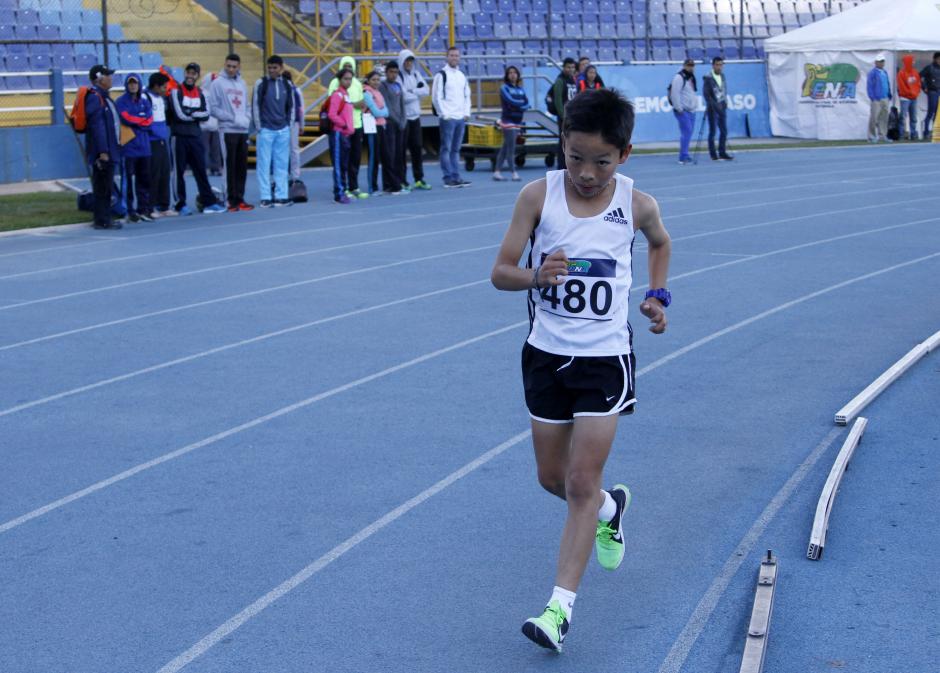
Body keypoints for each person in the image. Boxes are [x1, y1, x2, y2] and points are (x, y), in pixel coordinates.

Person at [490, 88, 671, 653]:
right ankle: (612, 509)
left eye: (602, 161)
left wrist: (657, 295)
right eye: (575, 158)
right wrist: (535, 276)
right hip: (546, 356)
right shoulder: (536, 197)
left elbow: (661, 243)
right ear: (561, 146)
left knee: (579, 483)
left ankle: (557, 610)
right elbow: (499, 271)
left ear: (625, 154)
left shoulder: (637, 205)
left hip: (604, 359)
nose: (587, 173)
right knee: (553, 479)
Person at [169, 62, 226, 214]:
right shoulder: (176, 91)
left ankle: (208, 202)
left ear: (197, 76)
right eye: (188, 72)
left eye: (193, 73)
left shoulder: (201, 93)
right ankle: (180, 204)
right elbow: (178, 114)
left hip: (195, 136)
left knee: (200, 170)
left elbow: (206, 114)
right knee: (178, 172)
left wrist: (190, 113)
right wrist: (195, 114)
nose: (190, 76)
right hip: (179, 137)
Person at [208, 53, 253, 211]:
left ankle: (240, 197)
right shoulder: (217, 84)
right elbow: (213, 108)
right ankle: (230, 200)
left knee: (241, 166)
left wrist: (247, 118)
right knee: (229, 165)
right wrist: (232, 118)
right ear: (225, 65)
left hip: (243, 130)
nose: (231, 69)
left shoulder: (242, 83)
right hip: (227, 130)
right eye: (229, 66)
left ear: (239, 67)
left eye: (234, 66)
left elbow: (247, 105)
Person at [83, 65, 123, 229]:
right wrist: (103, 151)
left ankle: (104, 217)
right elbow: (97, 126)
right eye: (108, 75)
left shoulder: (103, 97)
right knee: (103, 186)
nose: (111, 78)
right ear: (99, 78)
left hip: (109, 149)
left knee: (105, 185)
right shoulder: (95, 97)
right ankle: (103, 219)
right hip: (103, 152)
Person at [252, 55, 294, 207]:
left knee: (281, 164)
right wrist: (259, 127)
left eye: (275, 67)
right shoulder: (260, 84)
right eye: (269, 67)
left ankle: (281, 196)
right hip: (266, 129)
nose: (272, 70)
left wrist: (288, 125)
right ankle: (265, 196)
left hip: (282, 129)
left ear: (281, 68)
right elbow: (255, 105)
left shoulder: (287, 85)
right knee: (263, 164)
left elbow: (291, 106)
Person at [115, 72, 154, 222]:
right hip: (129, 148)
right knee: (128, 181)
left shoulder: (145, 101)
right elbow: (125, 118)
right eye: (130, 83)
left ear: (139, 85)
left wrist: (136, 121)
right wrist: (140, 119)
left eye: (135, 83)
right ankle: (128, 210)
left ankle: (143, 209)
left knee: (144, 180)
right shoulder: (120, 101)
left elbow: (149, 120)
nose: (133, 85)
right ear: (126, 84)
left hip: (144, 148)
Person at [328, 56, 368, 199]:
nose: (348, 69)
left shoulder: (357, 83)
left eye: (350, 66)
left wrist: (361, 104)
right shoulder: (335, 83)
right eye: (345, 66)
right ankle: (342, 187)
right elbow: (333, 102)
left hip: (356, 124)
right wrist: (354, 104)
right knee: (342, 160)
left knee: (355, 158)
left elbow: (360, 102)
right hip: (342, 127)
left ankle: (354, 186)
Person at [432, 46, 471, 188]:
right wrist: (444, 114)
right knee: (446, 148)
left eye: (456, 55)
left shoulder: (461, 75)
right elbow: (436, 97)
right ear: (447, 57)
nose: (454, 58)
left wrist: (466, 112)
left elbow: (467, 94)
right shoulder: (441, 75)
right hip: (448, 118)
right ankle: (447, 177)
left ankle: (456, 176)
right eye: (452, 55)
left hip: (460, 117)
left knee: (456, 149)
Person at [143, 72, 178, 218]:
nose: (166, 89)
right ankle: (150, 207)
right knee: (154, 174)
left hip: (163, 139)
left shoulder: (161, 99)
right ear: (156, 86)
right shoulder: (146, 97)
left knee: (165, 172)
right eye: (164, 87)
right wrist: (154, 134)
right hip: (152, 141)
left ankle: (164, 205)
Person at [397, 49, 432, 190]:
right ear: (402, 61)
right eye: (406, 60)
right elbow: (403, 97)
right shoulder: (399, 76)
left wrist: (412, 92)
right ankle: (402, 180)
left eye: (411, 60)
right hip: (404, 118)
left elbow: (426, 90)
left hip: (416, 118)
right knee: (401, 151)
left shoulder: (416, 74)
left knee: (417, 148)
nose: (409, 63)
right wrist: (416, 93)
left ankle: (419, 178)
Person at [494, 65, 529, 182]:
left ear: (518, 75)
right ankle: (514, 172)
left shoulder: (521, 89)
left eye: (515, 72)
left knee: (505, 147)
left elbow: (527, 103)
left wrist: (518, 106)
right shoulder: (504, 88)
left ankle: (497, 171)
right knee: (511, 148)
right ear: (507, 75)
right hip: (507, 121)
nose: (513, 75)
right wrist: (520, 105)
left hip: (517, 121)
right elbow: (511, 101)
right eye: (510, 73)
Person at [379, 60, 409, 195]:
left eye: (396, 72)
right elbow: (387, 107)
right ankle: (388, 183)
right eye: (391, 72)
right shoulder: (383, 86)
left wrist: (403, 119)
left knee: (398, 155)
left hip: (400, 125)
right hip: (390, 124)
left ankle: (398, 180)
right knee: (389, 154)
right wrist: (398, 120)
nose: (394, 75)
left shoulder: (398, 85)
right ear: (386, 72)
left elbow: (402, 104)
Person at [327, 67, 356, 204]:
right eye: (346, 79)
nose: (348, 81)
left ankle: (342, 190)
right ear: (340, 80)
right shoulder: (337, 95)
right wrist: (344, 125)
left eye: (350, 79)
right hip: (338, 134)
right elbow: (332, 114)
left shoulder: (346, 95)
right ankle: (338, 193)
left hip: (346, 134)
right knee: (338, 165)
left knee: (344, 164)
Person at [362, 70, 389, 195]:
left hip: (381, 126)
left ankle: (383, 185)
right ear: (368, 80)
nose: (376, 82)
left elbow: (386, 111)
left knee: (382, 156)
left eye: (378, 80)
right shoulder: (366, 93)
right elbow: (377, 112)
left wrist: (381, 112)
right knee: (374, 157)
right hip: (372, 128)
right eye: (373, 80)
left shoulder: (378, 93)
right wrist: (381, 111)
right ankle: (372, 187)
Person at [703, 56, 733, 160]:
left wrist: (725, 102)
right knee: (713, 131)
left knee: (724, 131)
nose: (719, 67)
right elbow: (706, 95)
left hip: (722, 107)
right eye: (717, 65)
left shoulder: (723, 76)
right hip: (713, 109)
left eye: (721, 65)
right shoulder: (708, 77)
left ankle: (722, 152)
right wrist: (714, 106)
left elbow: (724, 90)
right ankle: (713, 154)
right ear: (713, 65)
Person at [550, 57, 578, 170]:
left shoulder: (572, 79)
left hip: (572, 116)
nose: (570, 69)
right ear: (563, 67)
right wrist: (563, 116)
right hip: (564, 117)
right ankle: (561, 166)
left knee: (570, 141)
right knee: (563, 141)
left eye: (572, 67)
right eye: (568, 67)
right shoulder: (560, 80)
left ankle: (569, 165)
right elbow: (557, 100)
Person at [669, 58, 697, 164]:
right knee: (687, 132)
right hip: (683, 110)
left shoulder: (691, 78)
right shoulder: (679, 77)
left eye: (692, 65)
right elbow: (674, 94)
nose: (690, 67)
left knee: (688, 133)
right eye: (689, 65)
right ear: (684, 65)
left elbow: (691, 93)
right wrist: (679, 108)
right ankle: (683, 156)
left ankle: (685, 154)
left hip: (691, 110)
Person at [282, 70, 306, 185]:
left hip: (282, 123)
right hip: (294, 123)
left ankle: (283, 174)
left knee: (283, 150)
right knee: (294, 149)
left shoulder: (284, 89)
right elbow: (301, 109)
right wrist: (302, 124)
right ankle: (295, 175)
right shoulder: (296, 90)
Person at [867, 54, 892, 143]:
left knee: (884, 117)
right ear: (876, 62)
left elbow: (887, 83)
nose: (881, 63)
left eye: (882, 61)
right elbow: (870, 86)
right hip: (876, 99)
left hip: (885, 97)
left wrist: (889, 94)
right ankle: (871, 136)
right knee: (874, 117)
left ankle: (882, 135)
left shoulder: (884, 72)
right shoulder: (872, 73)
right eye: (880, 61)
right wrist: (873, 97)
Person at [896, 55, 921, 141]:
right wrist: (910, 93)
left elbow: (918, 84)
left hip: (913, 98)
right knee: (903, 116)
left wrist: (916, 93)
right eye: (912, 61)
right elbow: (901, 87)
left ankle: (913, 134)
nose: (913, 62)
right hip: (905, 98)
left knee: (913, 117)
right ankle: (901, 134)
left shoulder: (915, 72)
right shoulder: (901, 73)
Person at [920, 52, 940, 140]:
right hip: (932, 92)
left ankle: (935, 132)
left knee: (937, 113)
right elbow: (919, 76)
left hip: (938, 91)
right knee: (930, 112)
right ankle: (926, 132)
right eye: (939, 59)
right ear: (935, 59)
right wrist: (924, 87)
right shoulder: (929, 68)